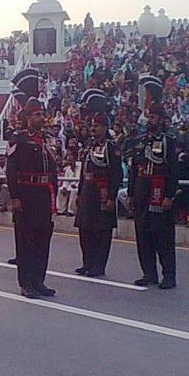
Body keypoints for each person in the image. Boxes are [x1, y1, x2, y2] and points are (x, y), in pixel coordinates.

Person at [7, 68, 58, 299]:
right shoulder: (18, 139)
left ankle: (39, 281)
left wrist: (54, 194)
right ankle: (26, 283)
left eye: (41, 115)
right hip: (26, 195)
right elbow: (11, 169)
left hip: (43, 196)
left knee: (42, 240)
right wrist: (15, 197)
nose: (40, 119)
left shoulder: (47, 139)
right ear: (27, 117)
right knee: (26, 241)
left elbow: (53, 170)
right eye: (36, 115)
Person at [127, 103, 179, 289]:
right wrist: (131, 193)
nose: (150, 121)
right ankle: (149, 273)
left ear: (161, 120)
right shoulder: (139, 142)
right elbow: (133, 170)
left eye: (154, 117)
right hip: (141, 191)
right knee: (143, 234)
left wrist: (169, 195)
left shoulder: (168, 141)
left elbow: (174, 171)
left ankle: (169, 276)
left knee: (163, 237)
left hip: (159, 191)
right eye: (149, 117)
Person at [75, 110, 122, 278]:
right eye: (92, 125)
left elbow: (117, 175)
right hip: (88, 191)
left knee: (102, 231)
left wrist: (111, 197)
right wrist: (80, 193)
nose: (93, 128)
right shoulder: (89, 145)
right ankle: (87, 262)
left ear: (104, 127)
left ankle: (99, 266)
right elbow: (83, 171)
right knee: (85, 229)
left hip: (102, 192)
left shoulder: (111, 147)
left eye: (97, 126)